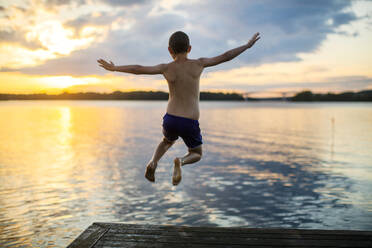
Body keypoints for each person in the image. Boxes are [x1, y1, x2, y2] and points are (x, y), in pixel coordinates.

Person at [97, 31, 260, 186]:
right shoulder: (199, 64)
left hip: (171, 119)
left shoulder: (166, 68)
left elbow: (138, 69)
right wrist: (246, 46)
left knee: (167, 141)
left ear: (169, 50)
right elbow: (226, 56)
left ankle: (153, 162)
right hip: (189, 121)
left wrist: (115, 68)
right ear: (189, 49)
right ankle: (180, 161)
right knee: (196, 153)